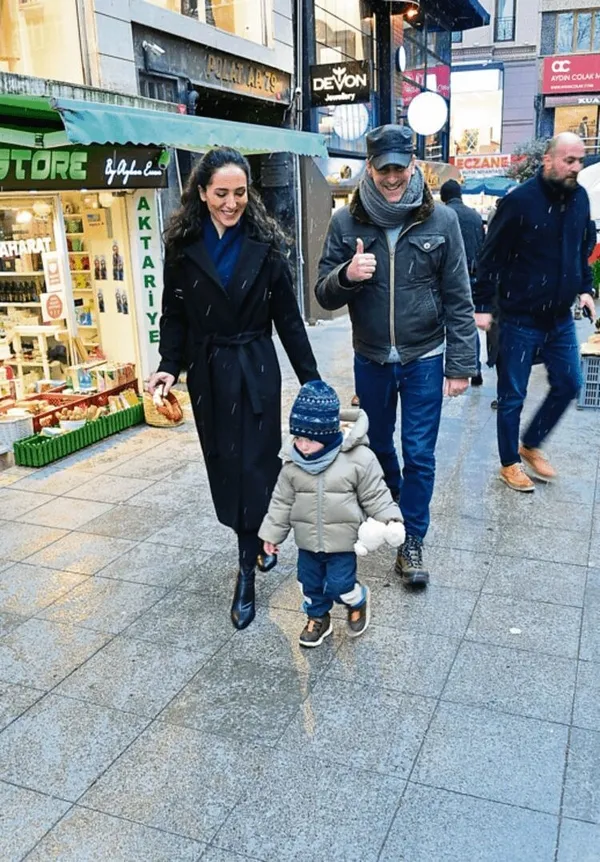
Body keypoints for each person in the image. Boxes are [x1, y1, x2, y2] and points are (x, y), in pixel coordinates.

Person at [148, 147, 320, 630]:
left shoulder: (265, 243)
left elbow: (288, 319)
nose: (231, 202)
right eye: (220, 193)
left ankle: (247, 567)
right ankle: (257, 538)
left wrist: (313, 383)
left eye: (240, 193)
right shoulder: (182, 249)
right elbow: (174, 315)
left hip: (255, 368)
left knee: (255, 465)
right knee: (225, 467)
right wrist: (168, 366)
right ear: (201, 193)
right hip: (208, 374)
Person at [315, 124, 478, 587]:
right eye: (383, 168)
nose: (391, 177)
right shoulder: (347, 221)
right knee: (380, 447)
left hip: (425, 355)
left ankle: (411, 540)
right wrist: (347, 274)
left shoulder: (441, 220)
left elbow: (458, 296)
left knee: (420, 454)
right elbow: (323, 294)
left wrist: (462, 363)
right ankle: (398, 513)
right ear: (370, 166)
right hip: (370, 358)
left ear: (414, 165)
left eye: (399, 168)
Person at [475, 132, 596, 492]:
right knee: (513, 395)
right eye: (569, 160)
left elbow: (580, 249)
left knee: (570, 383)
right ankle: (509, 463)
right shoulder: (520, 201)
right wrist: (482, 306)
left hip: (559, 318)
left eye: (580, 161)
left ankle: (529, 444)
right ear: (548, 160)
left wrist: (586, 289)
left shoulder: (580, 199)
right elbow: (489, 256)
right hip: (519, 318)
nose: (576, 167)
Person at [259, 380, 402, 647]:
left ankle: (357, 599)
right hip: (307, 542)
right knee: (309, 585)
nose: (301, 445)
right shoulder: (292, 463)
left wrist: (390, 520)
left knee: (339, 585)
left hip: (343, 543)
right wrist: (272, 535)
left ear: (326, 435)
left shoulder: (358, 459)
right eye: (298, 438)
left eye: (308, 440)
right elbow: (281, 502)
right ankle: (317, 618)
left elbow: (375, 494)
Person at [440, 179, 485, 385]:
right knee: (467, 321)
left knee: (440, 322)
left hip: (448, 278)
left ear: (443, 197)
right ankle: (473, 367)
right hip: (474, 275)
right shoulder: (475, 216)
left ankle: (440, 367)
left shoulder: (442, 217)